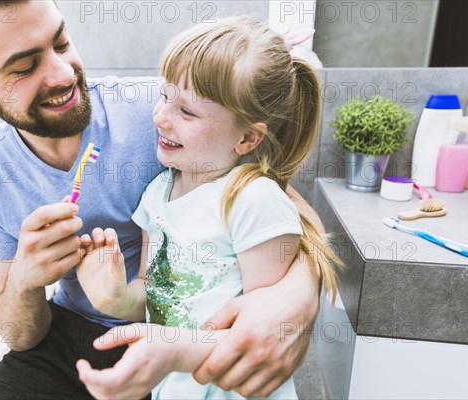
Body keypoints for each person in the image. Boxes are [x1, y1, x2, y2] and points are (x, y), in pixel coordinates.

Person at [0, 1, 327, 398]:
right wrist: (25, 279)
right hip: (72, 338)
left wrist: (291, 303)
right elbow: (18, 334)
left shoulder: (159, 110)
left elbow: (291, 212)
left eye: (61, 43)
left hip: (180, 341)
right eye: (25, 66)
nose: (63, 74)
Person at [74, 16, 341, 399]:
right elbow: (152, 293)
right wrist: (113, 296)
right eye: (165, 95)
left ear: (247, 137)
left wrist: (173, 353)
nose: (161, 116)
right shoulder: (156, 194)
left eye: (187, 111)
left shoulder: (252, 200)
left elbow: (263, 336)